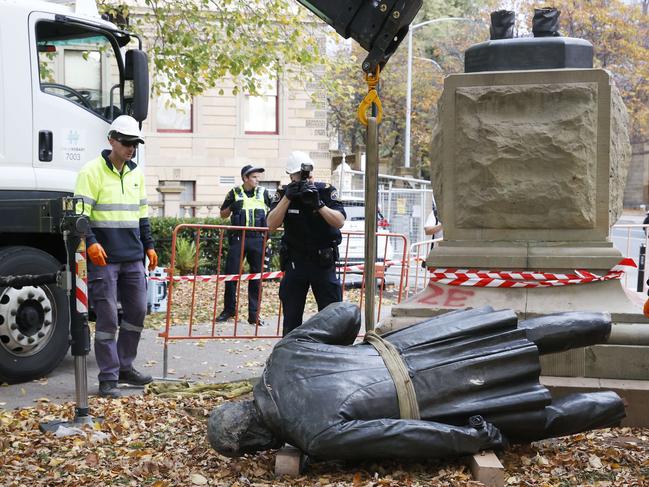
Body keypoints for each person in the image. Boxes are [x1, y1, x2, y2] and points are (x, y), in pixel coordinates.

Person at [207, 302, 625, 460]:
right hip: (419, 348)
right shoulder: (283, 357)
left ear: (256, 442)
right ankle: (606, 321)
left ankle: (613, 403)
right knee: (518, 337)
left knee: (530, 421)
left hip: (438, 398)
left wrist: (468, 440)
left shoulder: (315, 438)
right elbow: (347, 314)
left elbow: (400, 433)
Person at [74, 115, 158, 398]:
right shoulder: (91, 172)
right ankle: (108, 377)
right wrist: (92, 243)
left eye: (135, 143)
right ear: (111, 139)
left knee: (136, 312)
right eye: (126, 142)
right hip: (104, 259)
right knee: (108, 317)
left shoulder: (137, 174)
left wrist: (149, 245)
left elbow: (142, 216)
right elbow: (80, 217)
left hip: (133, 257)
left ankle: (125, 366)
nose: (131, 148)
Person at [266, 151, 346, 335]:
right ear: (291, 176)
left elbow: (339, 221)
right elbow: (271, 225)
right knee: (292, 318)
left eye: (308, 176)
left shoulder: (325, 191)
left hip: (323, 262)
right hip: (296, 262)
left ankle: (331, 353)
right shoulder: (283, 194)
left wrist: (319, 205)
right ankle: (290, 355)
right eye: (299, 176)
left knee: (331, 316)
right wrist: (287, 198)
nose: (305, 180)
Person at [216, 165, 272, 325]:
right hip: (238, 238)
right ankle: (229, 310)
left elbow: (274, 211)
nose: (257, 179)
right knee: (231, 275)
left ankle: (254, 314)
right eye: (254, 177)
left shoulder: (264, 193)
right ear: (245, 178)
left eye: (258, 177)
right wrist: (232, 207)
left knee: (257, 277)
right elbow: (222, 214)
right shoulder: (234, 193)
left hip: (258, 238)